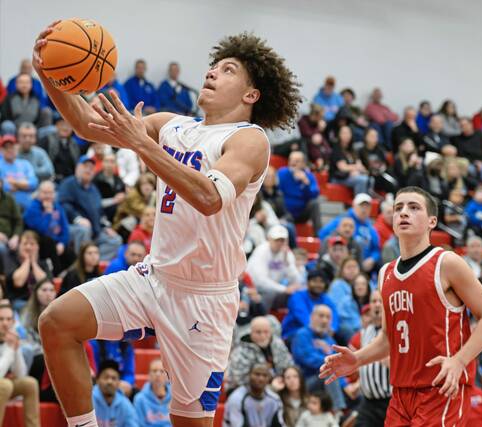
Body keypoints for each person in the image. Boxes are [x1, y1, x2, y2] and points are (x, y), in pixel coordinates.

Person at [34, 25, 302, 426]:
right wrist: (49, 74)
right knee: (56, 323)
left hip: (205, 300)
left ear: (251, 94)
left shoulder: (249, 140)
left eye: (227, 70)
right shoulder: (173, 125)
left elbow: (210, 198)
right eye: (213, 66)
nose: (212, 72)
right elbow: (88, 124)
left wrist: (142, 144)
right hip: (153, 277)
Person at [319, 186, 482, 425]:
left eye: (414, 208)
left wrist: (459, 360)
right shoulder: (386, 273)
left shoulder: (446, 263)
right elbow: (388, 338)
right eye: (398, 208)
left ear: (432, 221)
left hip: (440, 388)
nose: (404, 213)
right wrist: (358, 359)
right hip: (401, 392)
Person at [58, 155, 123, 259]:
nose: (88, 169)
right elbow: (63, 204)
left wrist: (106, 227)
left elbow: (100, 211)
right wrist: (77, 218)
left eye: (91, 168)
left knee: (115, 240)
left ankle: (94, 263)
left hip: (95, 230)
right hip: (72, 226)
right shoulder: (68, 184)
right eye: (85, 166)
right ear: (77, 168)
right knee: (84, 230)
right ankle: (81, 263)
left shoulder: (94, 189)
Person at [292, 305, 347, 412]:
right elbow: (309, 360)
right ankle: (338, 412)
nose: (324, 320)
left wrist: (346, 385)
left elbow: (339, 365)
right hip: (306, 381)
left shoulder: (329, 339)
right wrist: (330, 359)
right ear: (312, 317)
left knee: (356, 390)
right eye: (321, 316)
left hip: (327, 381)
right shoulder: (301, 335)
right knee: (329, 373)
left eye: (328, 317)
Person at [353, 290, 391, 427]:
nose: (377, 305)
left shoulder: (393, 330)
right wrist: (358, 383)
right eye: (373, 301)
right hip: (368, 401)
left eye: (380, 301)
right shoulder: (365, 331)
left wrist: (391, 363)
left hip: (389, 401)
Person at [226, 316, 293, 392]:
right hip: (245, 391)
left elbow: (289, 365)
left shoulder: (278, 344)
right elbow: (240, 380)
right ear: (251, 332)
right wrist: (270, 387)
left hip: (277, 385)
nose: (262, 336)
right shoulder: (240, 351)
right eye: (258, 332)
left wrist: (283, 379)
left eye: (266, 332)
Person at [0, 301, 40, 427]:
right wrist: (10, 351)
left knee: (29, 383)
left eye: (8, 319)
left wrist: (15, 349)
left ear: (13, 322)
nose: (5, 323)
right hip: (3, 384)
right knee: (5, 385)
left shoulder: (10, 339)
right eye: (1, 319)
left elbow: (20, 373)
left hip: (6, 384)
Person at [319, 193, 381, 274]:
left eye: (367, 207)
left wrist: (373, 259)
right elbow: (323, 233)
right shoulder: (344, 219)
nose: (364, 210)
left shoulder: (370, 227)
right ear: (354, 206)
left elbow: (376, 248)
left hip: (361, 264)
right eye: (361, 206)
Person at [247, 224, 302, 310]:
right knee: (270, 293)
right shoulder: (261, 251)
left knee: (298, 294)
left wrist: (287, 262)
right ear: (269, 239)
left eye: (282, 240)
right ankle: (262, 318)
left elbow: (296, 281)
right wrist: (284, 289)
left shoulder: (287, 254)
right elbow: (260, 281)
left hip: (274, 290)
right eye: (277, 240)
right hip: (255, 289)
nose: (280, 243)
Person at [282, 271, 339, 341]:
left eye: (321, 282)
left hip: (320, 333)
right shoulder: (297, 296)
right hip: (294, 332)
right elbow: (303, 318)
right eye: (314, 281)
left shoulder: (326, 299)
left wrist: (332, 329)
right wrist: (322, 330)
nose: (318, 285)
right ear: (308, 282)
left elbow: (334, 316)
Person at [278, 151, 321, 233]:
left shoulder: (309, 176)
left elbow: (315, 194)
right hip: (286, 212)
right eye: (291, 160)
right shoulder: (282, 173)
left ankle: (318, 235)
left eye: (297, 161)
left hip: (302, 212)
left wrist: (306, 183)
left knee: (315, 203)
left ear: (303, 164)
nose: (293, 163)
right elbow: (275, 191)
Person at [93, 359, 139, 427]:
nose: (109, 381)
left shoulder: (125, 404)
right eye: (106, 377)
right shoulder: (88, 401)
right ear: (97, 380)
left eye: (114, 378)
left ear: (119, 383)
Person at [0, 134, 38, 210]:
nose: (9, 150)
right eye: (6, 147)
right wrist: (23, 184)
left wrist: (14, 183)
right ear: (1, 150)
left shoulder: (25, 164)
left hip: (27, 205)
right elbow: (4, 187)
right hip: (6, 207)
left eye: (12, 147)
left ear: (17, 148)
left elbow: (34, 183)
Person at [133, 358, 172, 427]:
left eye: (161, 371)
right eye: (154, 371)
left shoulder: (175, 398)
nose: (158, 374)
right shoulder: (139, 399)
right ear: (149, 375)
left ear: (167, 376)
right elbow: (137, 424)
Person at [93, 152, 126, 222]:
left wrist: (124, 196)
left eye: (112, 161)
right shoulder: (95, 180)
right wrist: (114, 200)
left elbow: (123, 195)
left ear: (116, 165)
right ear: (102, 163)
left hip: (117, 215)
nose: (109, 164)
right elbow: (95, 203)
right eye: (107, 161)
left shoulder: (118, 180)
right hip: (101, 215)